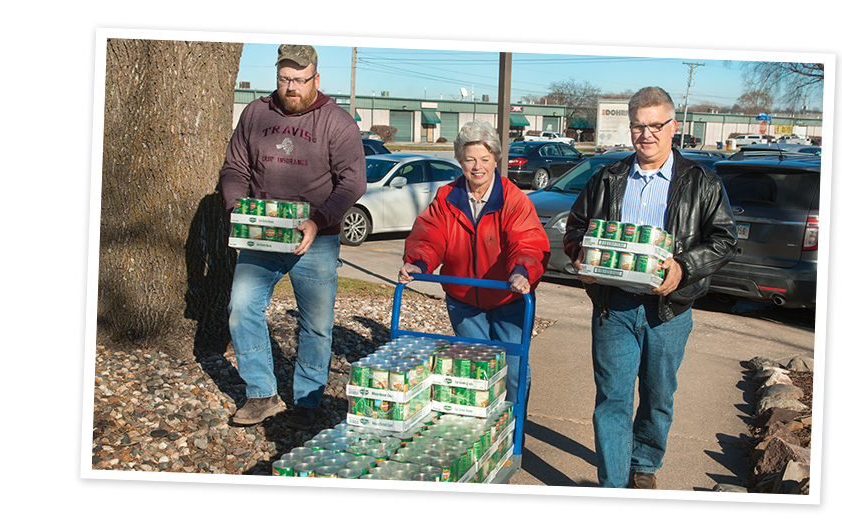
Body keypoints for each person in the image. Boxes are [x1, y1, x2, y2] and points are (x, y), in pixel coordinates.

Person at [563, 87, 736, 489]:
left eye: (656, 125)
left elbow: (725, 240)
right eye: (639, 126)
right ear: (630, 128)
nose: (647, 135)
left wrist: (684, 267)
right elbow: (575, 228)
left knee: (658, 397)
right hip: (614, 308)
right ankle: (613, 482)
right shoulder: (607, 178)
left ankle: (643, 463)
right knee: (613, 398)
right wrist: (581, 259)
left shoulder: (701, 182)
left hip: (669, 312)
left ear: (673, 127)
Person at [220, 44, 367, 428]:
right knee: (241, 308)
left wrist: (320, 220)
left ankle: (307, 398)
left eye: (299, 80)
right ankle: (261, 393)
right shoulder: (255, 113)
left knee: (316, 323)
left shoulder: (337, 122)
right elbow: (235, 167)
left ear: (315, 79)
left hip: (315, 239)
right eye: (284, 79)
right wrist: (238, 206)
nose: (291, 87)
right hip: (263, 234)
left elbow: (353, 182)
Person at [398, 121, 550, 412]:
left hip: (508, 297)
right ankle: (483, 428)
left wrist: (522, 270)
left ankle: (513, 431)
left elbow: (528, 240)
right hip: (465, 298)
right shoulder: (447, 198)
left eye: (484, 159)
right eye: (469, 160)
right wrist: (418, 261)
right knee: (477, 372)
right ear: (459, 161)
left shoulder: (513, 199)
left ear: (495, 159)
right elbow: (430, 235)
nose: (477, 166)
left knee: (514, 370)